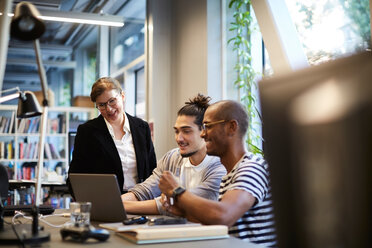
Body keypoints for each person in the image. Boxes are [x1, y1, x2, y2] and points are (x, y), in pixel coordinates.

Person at [159, 100, 277, 247]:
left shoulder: (252, 168)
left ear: (231, 127)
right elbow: (222, 224)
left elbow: (222, 216)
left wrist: (176, 190)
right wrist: (183, 213)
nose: (202, 134)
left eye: (207, 127)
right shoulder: (231, 174)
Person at [121, 94, 226, 214]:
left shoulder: (219, 167)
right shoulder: (172, 158)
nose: (179, 138)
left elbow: (181, 203)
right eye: (176, 131)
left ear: (204, 131)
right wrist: (115, 203)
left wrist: (120, 207)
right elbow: (146, 190)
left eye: (186, 131)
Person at [67, 77, 156, 196]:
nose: (109, 109)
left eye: (112, 101)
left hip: (140, 199)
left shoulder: (142, 128)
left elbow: (151, 170)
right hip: (106, 201)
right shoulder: (87, 132)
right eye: (101, 105)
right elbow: (76, 177)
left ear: (122, 96)